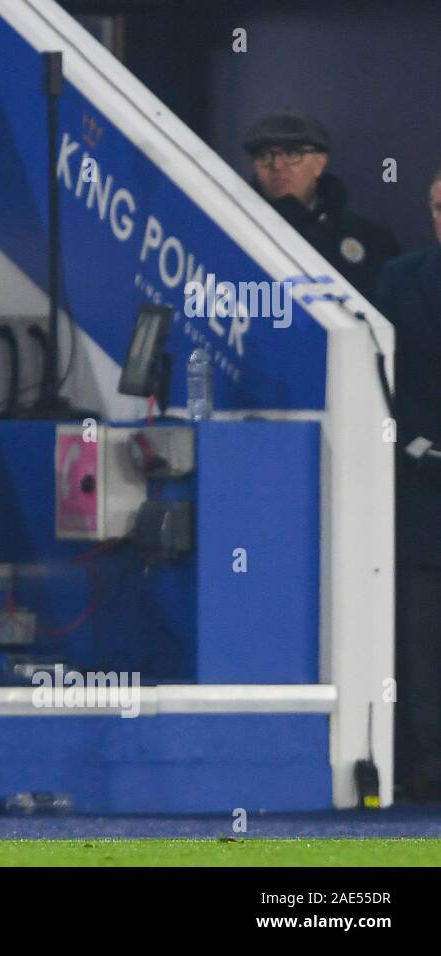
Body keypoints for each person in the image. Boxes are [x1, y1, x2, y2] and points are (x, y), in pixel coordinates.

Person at [375, 167, 441, 804]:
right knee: (422, 639)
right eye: (440, 206)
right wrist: (418, 446)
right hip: (424, 489)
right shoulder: (400, 279)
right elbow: (384, 380)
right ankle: (428, 764)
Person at [243, 112, 399, 298]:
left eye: (293, 153)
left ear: (320, 163)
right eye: (264, 156)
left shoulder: (370, 235)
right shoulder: (235, 229)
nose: (277, 165)